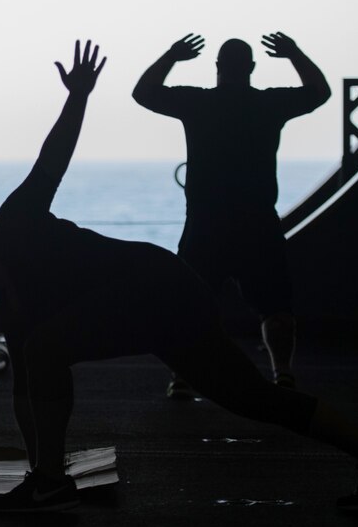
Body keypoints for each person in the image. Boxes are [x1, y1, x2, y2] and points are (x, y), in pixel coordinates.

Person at [0, 41, 358, 514]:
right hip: (158, 303)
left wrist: (77, 96)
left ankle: (52, 484)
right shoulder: (11, 307)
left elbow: (52, 160)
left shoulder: (15, 220)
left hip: (157, 285)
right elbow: (26, 395)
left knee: (46, 348)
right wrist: (33, 470)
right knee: (253, 398)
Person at [132, 33, 331, 397]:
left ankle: (182, 376)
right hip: (258, 221)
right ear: (252, 68)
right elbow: (320, 92)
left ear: (218, 68)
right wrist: (294, 54)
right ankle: (282, 373)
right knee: (275, 306)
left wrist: (172, 55)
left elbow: (143, 92)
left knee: (188, 303)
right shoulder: (269, 104)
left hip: (206, 222)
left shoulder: (197, 103)